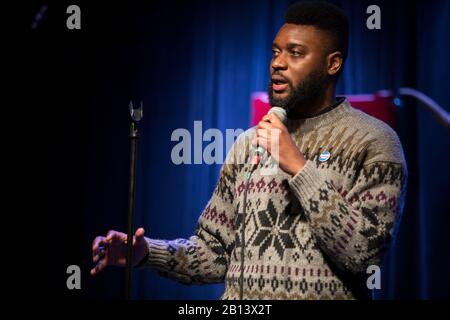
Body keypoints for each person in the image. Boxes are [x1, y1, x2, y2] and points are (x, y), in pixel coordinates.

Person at [91, 1, 407, 300]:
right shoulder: (249, 143)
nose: (278, 63)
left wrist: (299, 167)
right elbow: (214, 254)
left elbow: (363, 254)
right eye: (276, 52)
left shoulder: (374, 141)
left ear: (332, 64)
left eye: (295, 53)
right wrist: (146, 253)